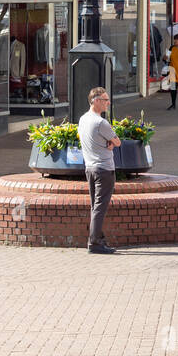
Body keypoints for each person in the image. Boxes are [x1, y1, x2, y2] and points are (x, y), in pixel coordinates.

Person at [78, 87, 121, 255]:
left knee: (95, 207)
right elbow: (117, 142)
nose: (108, 103)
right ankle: (95, 243)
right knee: (100, 208)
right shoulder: (100, 122)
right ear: (96, 101)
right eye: (105, 100)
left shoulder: (83, 119)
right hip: (104, 169)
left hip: (89, 168)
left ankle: (98, 239)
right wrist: (110, 143)